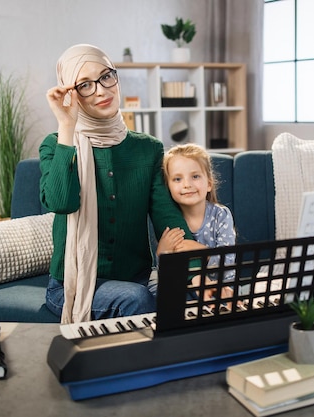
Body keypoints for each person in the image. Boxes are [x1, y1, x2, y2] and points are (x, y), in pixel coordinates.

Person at [40, 44, 195, 324]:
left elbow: (168, 220)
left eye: (106, 77)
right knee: (136, 300)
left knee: (187, 294)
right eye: (85, 84)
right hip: (72, 288)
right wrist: (66, 125)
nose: (101, 90)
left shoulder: (148, 149)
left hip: (136, 280)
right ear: (70, 93)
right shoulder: (56, 145)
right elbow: (61, 202)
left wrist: (199, 275)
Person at [156, 143, 236, 302]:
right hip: (186, 291)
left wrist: (201, 250)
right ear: (168, 187)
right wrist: (162, 253)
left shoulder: (220, 215)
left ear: (209, 184)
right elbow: (166, 274)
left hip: (222, 286)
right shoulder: (168, 219)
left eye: (195, 176)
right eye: (177, 179)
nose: (187, 184)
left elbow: (228, 261)